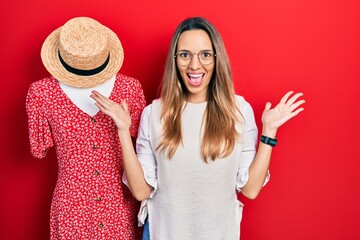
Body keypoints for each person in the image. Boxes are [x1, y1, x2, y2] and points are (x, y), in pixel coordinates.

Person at [91, 16, 305, 240]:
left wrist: (269, 132)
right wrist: (124, 132)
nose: (195, 65)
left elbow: (251, 189)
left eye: (205, 55)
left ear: (216, 58)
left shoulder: (239, 110)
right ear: (175, 60)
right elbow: (141, 191)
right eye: (185, 55)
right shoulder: (153, 113)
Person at [26, 17, 145, 239]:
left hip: (119, 207)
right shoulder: (42, 94)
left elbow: (144, 155)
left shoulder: (130, 89)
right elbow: (38, 149)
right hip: (72, 208)